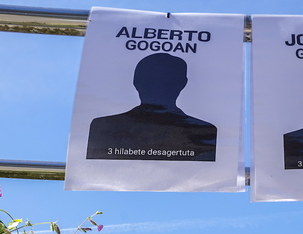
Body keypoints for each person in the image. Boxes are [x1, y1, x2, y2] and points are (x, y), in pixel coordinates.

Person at [87, 53, 217, 161]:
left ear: (136, 81)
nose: (159, 86)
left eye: (165, 80)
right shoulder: (204, 131)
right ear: (183, 83)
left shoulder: (103, 126)